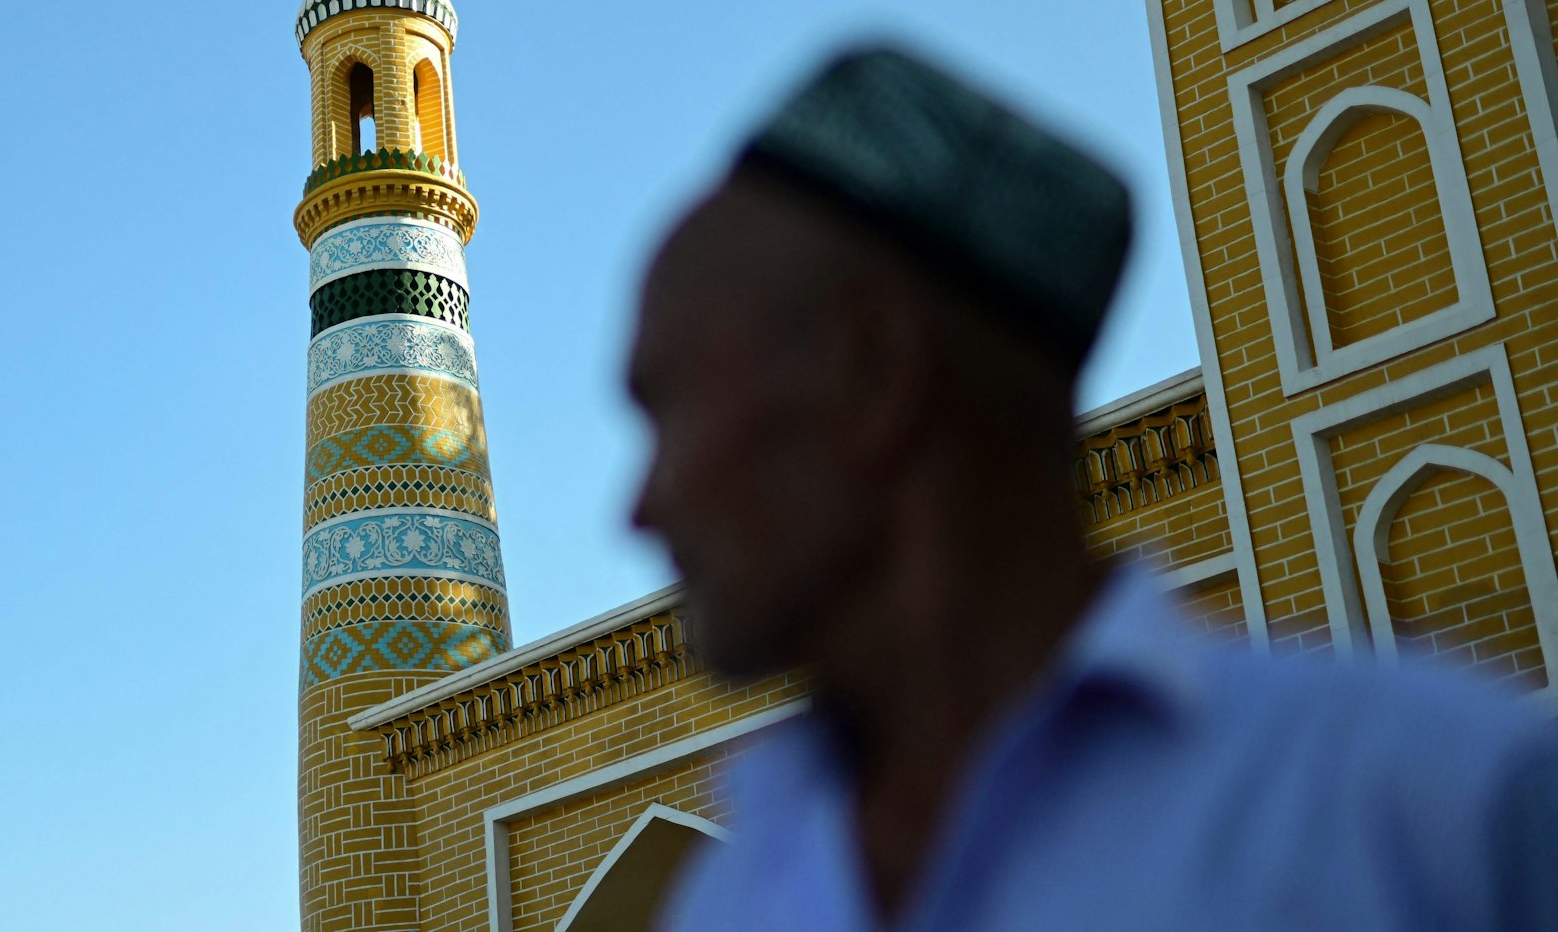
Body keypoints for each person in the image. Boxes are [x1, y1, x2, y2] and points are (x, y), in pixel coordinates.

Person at [625, 47, 1558, 930]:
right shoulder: (739, 891)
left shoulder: (1417, 809)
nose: (641, 507)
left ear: (873, 374)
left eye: (667, 409)